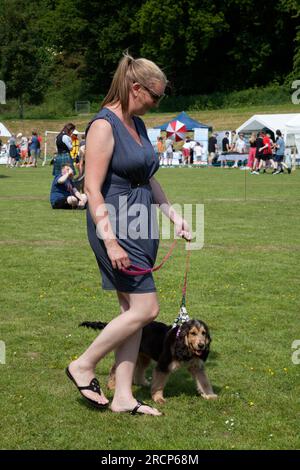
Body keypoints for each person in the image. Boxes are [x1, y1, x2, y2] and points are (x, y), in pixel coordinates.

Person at [65, 53, 191, 416]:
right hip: (116, 226)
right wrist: (110, 240)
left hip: (141, 224)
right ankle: (83, 364)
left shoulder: (138, 124)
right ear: (136, 88)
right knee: (147, 308)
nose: (157, 103)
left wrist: (173, 215)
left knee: (130, 311)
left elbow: (149, 177)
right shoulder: (104, 125)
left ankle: (123, 396)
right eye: (155, 96)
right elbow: (92, 188)